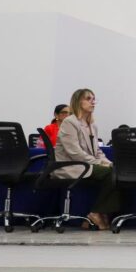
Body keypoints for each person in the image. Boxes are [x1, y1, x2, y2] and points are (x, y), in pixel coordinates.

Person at [53, 89, 119, 230]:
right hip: (71, 166)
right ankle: (96, 212)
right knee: (110, 173)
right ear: (78, 101)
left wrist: (109, 163)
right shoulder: (69, 122)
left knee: (115, 170)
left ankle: (97, 215)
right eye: (88, 99)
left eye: (93, 99)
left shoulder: (92, 125)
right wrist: (100, 163)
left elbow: (97, 152)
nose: (92, 102)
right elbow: (75, 153)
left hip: (86, 164)